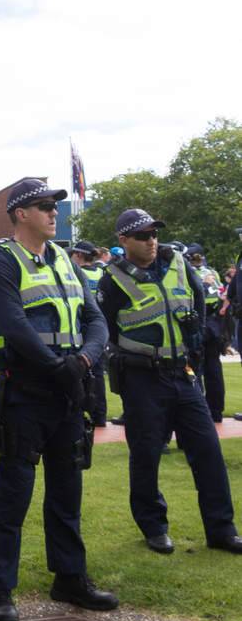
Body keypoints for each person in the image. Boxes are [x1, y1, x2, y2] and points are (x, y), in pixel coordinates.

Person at [0, 178, 117, 621]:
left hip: (69, 390)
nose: (52, 212)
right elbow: (13, 324)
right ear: (21, 213)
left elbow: (95, 319)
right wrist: (55, 366)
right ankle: (0, 590)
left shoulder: (64, 258)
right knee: (13, 495)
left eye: (53, 205)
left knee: (67, 491)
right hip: (27, 394)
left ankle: (70, 578)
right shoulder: (2, 261)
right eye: (44, 205)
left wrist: (82, 360)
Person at [98, 211, 241, 555]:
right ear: (123, 241)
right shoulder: (112, 279)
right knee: (146, 456)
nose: (150, 240)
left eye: (153, 233)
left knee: (208, 452)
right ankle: (154, 527)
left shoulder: (177, 263)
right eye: (142, 235)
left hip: (183, 374)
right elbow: (106, 329)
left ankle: (222, 530)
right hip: (141, 378)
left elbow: (198, 305)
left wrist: (194, 346)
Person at [185, 243, 227, 423]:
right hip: (214, 322)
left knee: (195, 368)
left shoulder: (189, 274)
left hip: (200, 321)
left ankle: (200, 412)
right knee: (214, 368)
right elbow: (219, 295)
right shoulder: (213, 273)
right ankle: (216, 411)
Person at [70, 240, 108, 426]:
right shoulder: (102, 272)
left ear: (78, 255)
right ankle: (100, 414)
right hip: (100, 328)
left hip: (84, 326)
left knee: (84, 370)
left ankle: (85, 409)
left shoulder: (76, 273)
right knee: (98, 373)